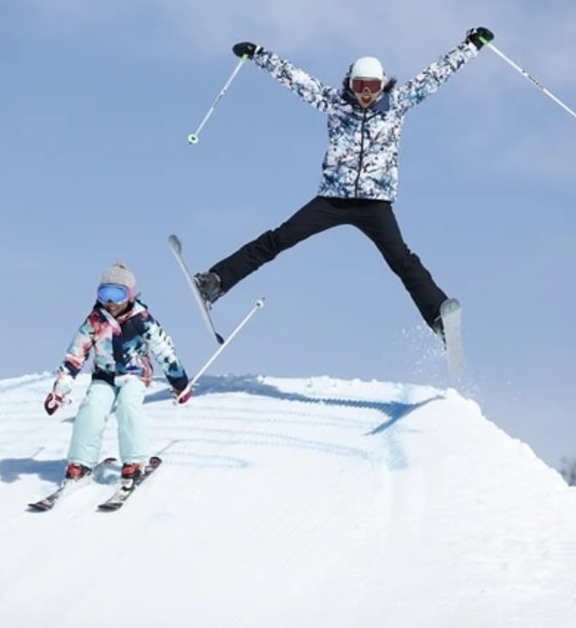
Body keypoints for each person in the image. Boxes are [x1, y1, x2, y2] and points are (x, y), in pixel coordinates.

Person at [193, 27, 494, 339]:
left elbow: (435, 76)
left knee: (402, 260)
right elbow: (296, 79)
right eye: (359, 86)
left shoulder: (397, 106)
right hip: (332, 199)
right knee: (277, 239)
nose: (365, 94)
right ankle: (216, 282)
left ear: (382, 86)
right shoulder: (336, 105)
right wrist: (259, 55)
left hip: (374, 204)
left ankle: (438, 318)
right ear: (350, 83)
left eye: (372, 87)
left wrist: (471, 46)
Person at [42, 262, 191, 483]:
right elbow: (75, 356)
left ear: (129, 295)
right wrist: (59, 392)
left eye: (116, 294)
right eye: (105, 294)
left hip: (135, 374)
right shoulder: (94, 322)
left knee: (128, 407)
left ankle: (134, 460)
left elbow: (163, 350)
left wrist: (180, 383)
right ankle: (81, 462)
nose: (110, 302)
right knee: (91, 409)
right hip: (104, 376)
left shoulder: (142, 320)